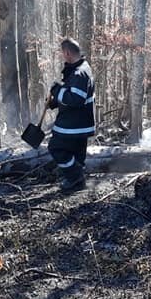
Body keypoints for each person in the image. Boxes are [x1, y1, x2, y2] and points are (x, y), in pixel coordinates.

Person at [47, 38, 96, 192]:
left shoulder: (79, 73)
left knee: (56, 148)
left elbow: (76, 99)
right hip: (79, 123)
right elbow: (73, 93)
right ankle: (76, 179)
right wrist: (55, 102)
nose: (62, 56)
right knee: (76, 154)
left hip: (74, 125)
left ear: (67, 53)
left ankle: (75, 177)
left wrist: (56, 91)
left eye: (62, 53)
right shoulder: (81, 67)